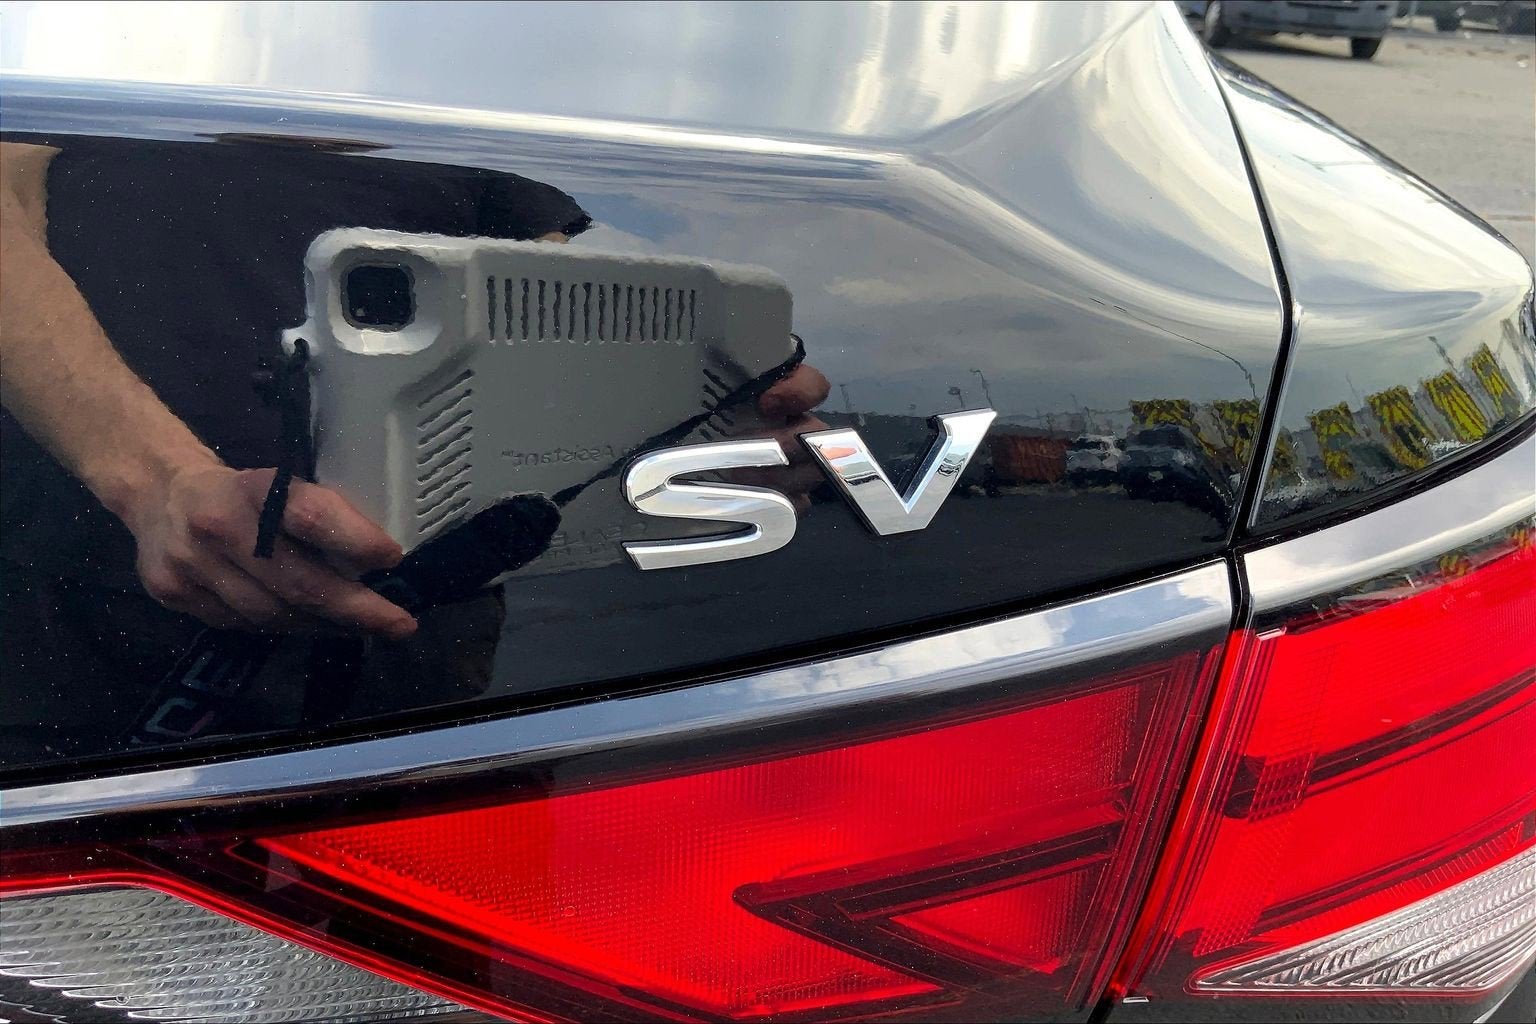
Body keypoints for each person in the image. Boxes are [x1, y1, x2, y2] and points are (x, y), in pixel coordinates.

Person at [0, 135, 593, 760]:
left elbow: (543, 294)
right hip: (85, 594)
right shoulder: (118, 85)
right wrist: (155, 481)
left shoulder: (459, 117)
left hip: (425, 603)